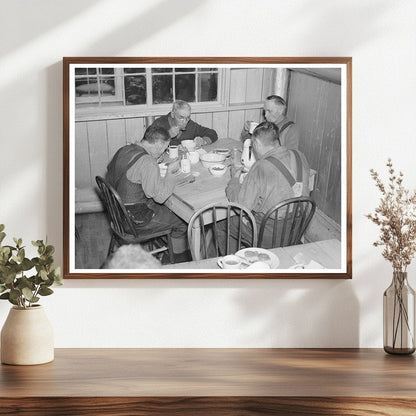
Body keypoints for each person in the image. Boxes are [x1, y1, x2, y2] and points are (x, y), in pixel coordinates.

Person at [105, 125, 190, 262]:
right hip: (132, 219)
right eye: (165, 148)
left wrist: (153, 165)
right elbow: (160, 197)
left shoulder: (124, 149)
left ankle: (165, 244)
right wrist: (169, 174)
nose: (164, 151)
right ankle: (175, 261)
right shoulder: (147, 162)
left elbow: (112, 170)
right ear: (158, 144)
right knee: (184, 222)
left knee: (168, 211)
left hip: (116, 211)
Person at [222, 121, 310, 250]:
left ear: (256, 143)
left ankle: (235, 264)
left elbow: (241, 206)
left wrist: (234, 180)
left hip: (270, 234)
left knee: (223, 225)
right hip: (296, 229)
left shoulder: (261, 166)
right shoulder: (299, 155)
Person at [151, 100, 218, 147]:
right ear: (173, 114)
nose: (185, 122)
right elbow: (148, 144)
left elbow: (212, 133)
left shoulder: (190, 125)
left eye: (187, 117)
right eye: (181, 118)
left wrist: (203, 141)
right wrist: (167, 135)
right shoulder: (159, 123)